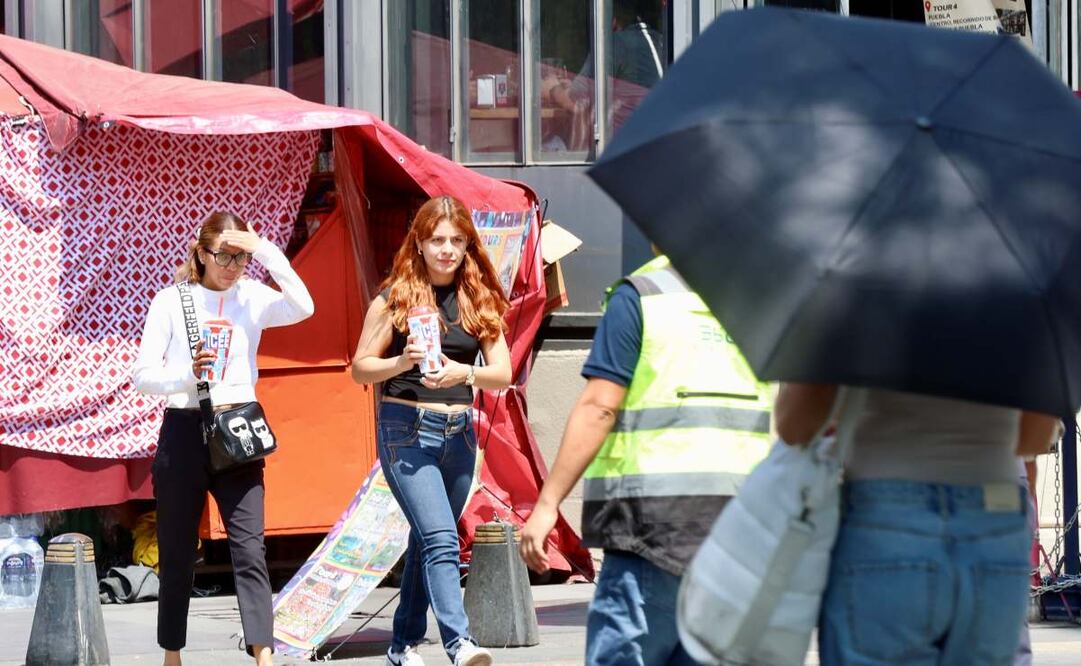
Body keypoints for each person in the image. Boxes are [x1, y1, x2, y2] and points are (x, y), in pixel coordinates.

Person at [519, 254, 773, 666]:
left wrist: (547, 504)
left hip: (651, 530)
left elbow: (600, 406)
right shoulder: (761, 305)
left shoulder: (643, 295)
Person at [132, 211, 315, 666]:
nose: (232, 267)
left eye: (240, 258)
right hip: (184, 428)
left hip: (237, 427)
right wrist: (187, 374)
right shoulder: (172, 301)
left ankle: (263, 652)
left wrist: (264, 250)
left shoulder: (252, 296)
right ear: (202, 253)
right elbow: (143, 375)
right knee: (177, 548)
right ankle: (172, 653)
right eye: (223, 257)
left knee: (250, 546)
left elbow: (303, 306)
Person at [773, 384, 1059, 666]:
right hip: (994, 519)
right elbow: (1034, 438)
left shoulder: (857, 347)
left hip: (885, 511)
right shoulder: (1025, 349)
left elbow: (795, 425)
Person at [351, 195, 511, 666]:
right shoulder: (394, 298)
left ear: (467, 245)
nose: (447, 250)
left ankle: (401, 646)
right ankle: (459, 643)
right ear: (418, 242)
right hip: (406, 430)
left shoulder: (478, 298)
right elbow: (360, 368)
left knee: (427, 540)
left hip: (459, 433)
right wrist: (403, 361)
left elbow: (502, 372)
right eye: (437, 240)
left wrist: (465, 373)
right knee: (442, 537)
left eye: (457, 240)